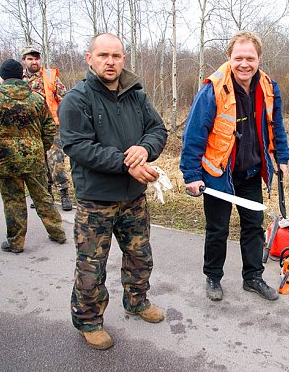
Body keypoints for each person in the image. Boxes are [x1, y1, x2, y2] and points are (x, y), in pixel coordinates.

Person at [59, 33, 168, 350]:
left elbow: (157, 129)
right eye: (103, 55)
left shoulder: (136, 95)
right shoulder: (76, 100)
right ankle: (88, 320)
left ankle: (136, 301)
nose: (111, 61)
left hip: (133, 197)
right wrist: (126, 163)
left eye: (117, 56)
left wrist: (144, 150)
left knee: (139, 257)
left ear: (124, 59)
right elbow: (78, 146)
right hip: (96, 202)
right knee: (91, 267)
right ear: (89, 58)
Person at [180, 30, 289, 302]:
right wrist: (191, 175)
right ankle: (213, 277)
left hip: (251, 172)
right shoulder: (213, 89)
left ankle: (253, 277)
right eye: (238, 57)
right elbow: (194, 134)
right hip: (218, 175)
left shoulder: (268, 87)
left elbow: (276, 125)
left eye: (250, 58)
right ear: (229, 58)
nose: (244, 64)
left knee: (253, 227)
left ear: (259, 59)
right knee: (217, 228)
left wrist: (283, 157)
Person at [0, 59, 66, 253]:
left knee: (13, 201)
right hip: (34, 157)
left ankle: (16, 242)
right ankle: (57, 232)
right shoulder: (36, 98)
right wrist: (39, 148)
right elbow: (49, 128)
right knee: (42, 197)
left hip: (5, 159)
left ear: (1, 77)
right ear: (22, 76)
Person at [21, 45, 73, 211]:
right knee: (38, 163)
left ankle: (64, 194)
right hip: (30, 129)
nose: (34, 61)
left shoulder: (50, 76)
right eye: (30, 58)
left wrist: (66, 121)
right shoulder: (19, 79)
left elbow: (65, 99)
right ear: (24, 61)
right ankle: (45, 195)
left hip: (52, 127)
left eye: (36, 58)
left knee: (56, 161)